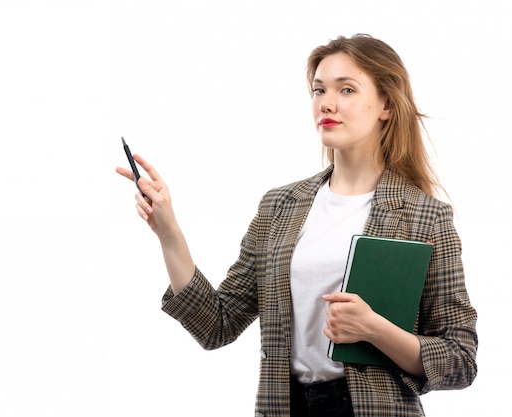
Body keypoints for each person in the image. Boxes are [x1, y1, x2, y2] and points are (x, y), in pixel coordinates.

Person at [116, 34, 477, 417]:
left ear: (386, 104)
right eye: (319, 89)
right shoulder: (279, 208)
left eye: (347, 89)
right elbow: (216, 325)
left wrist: (374, 329)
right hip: (286, 407)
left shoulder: (425, 216)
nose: (327, 103)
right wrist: (168, 231)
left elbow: (461, 359)